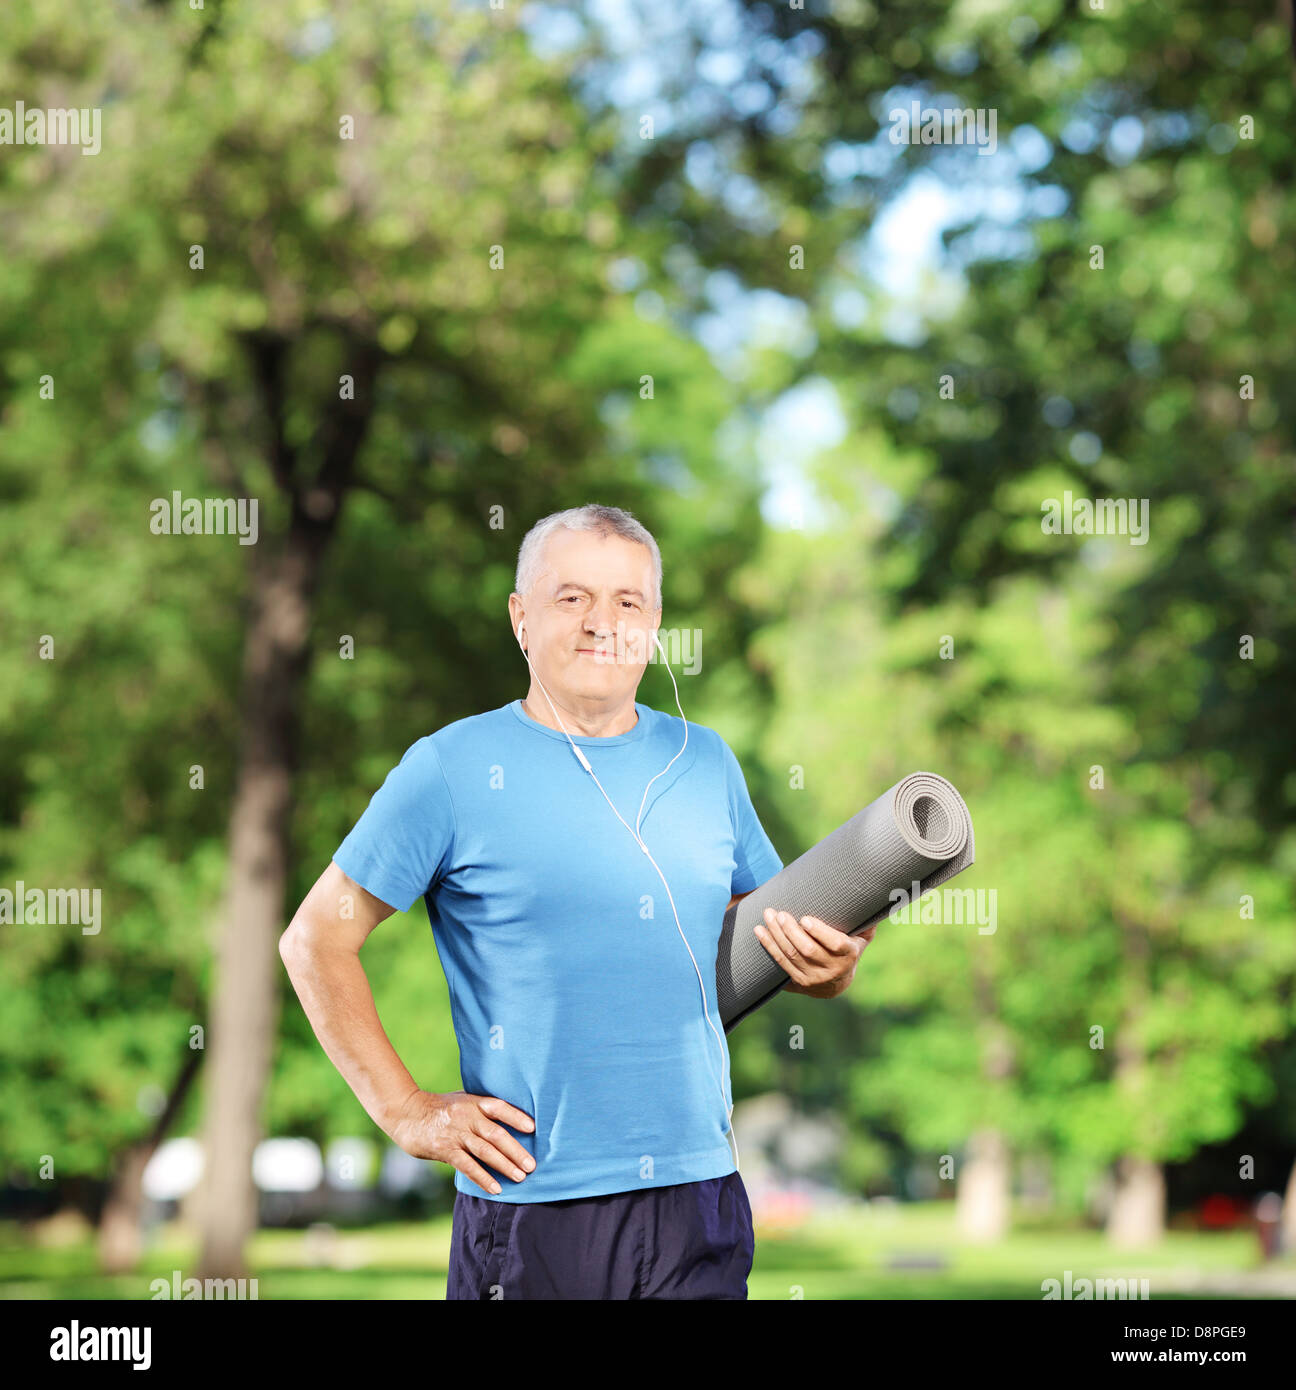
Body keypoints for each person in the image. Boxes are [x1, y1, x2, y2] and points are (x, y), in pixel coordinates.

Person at [279, 503, 867, 1299]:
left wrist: (829, 968)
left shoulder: (707, 762)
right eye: (572, 597)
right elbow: (315, 940)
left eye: (629, 601)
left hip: (699, 1196)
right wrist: (407, 1112)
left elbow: (775, 944)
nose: (604, 622)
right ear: (522, 618)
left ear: (655, 622)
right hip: (535, 1207)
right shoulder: (450, 767)